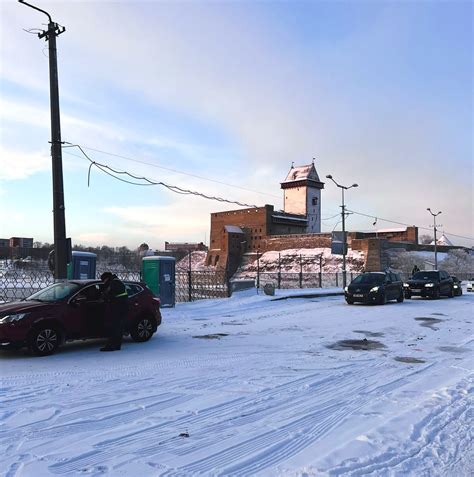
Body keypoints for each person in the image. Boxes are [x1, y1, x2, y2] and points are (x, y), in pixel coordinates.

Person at [100, 272, 128, 351]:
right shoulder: (116, 281)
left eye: (103, 280)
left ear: (107, 278)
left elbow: (110, 295)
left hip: (118, 308)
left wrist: (104, 296)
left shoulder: (114, 283)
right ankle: (116, 345)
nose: (103, 282)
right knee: (118, 328)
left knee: (114, 328)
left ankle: (111, 346)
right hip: (121, 307)